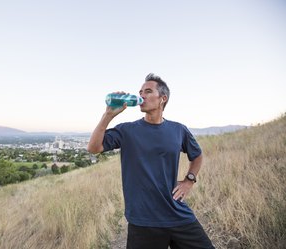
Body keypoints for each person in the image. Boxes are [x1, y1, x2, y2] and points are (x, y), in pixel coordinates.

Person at [87, 73, 215, 249]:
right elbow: (93, 148)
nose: (142, 95)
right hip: (143, 221)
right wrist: (108, 115)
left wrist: (189, 181)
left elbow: (197, 156)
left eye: (148, 91)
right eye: (140, 92)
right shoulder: (127, 130)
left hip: (177, 214)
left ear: (163, 98)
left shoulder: (178, 130)